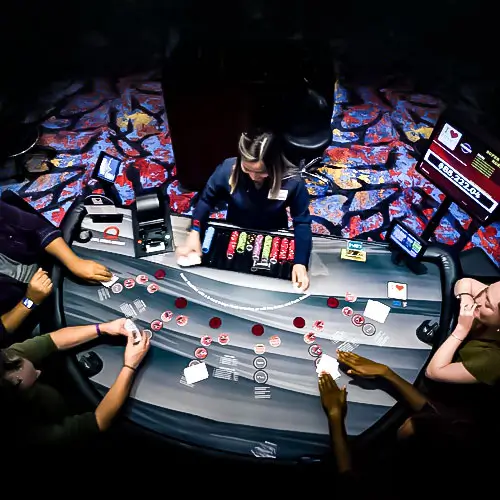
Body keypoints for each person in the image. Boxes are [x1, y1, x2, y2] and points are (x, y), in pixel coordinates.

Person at [176, 130, 313, 291]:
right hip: (235, 225)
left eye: (261, 172)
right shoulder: (227, 169)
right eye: (248, 169)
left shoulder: (292, 181)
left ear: (274, 165)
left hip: (274, 230)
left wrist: (300, 262)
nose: (254, 176)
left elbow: (302, 222)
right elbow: (206, 200)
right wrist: (195, 231)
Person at [0, 318, 149, 449]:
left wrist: (104, 328)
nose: (39, 372)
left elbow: (52, 340)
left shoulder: (8, 359)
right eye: (33, 381)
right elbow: (99, 421)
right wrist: (130, 365)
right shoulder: (34, 434)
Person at [0, 197, 112, 345]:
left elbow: (36, 226)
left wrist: (75, 263)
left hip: (47, 259)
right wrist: (29, 301)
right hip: (26, 308)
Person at [425, 278, 500, 384]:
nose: (478, 299)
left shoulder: (493, 361)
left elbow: (433, 372)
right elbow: (465, 282)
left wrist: (461, 329)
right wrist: (466, 298)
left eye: (487, 305)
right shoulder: (492, 296)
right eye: (486, 291)